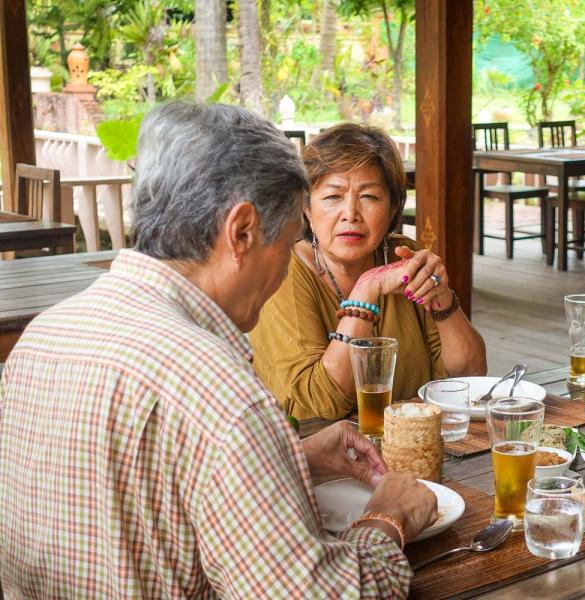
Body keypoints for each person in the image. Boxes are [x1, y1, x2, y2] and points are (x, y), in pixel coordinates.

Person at [0, 103, 437, 598]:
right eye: (289, 238)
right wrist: (390, 516)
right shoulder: (220, 391)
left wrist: (292, 456)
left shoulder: (44, 335)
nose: (283, 271)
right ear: (242, 231)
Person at [250, 123, 486, 420]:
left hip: (411, 445)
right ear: (307, 208)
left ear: (392, 209)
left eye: (369, 197)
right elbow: (320, 405)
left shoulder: (402, 257)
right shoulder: (282, 272)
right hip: (320, 458)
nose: (351, 213)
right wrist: (365, 291)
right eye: (333, 197)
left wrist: (442, 299)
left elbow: (469, 376)